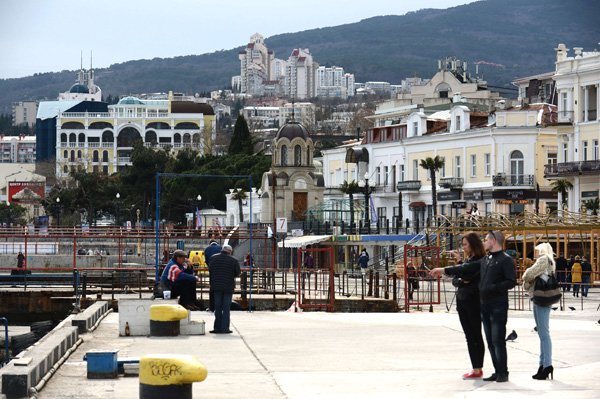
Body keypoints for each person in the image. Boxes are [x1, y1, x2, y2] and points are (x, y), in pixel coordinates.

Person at [430, 230, 517, 383]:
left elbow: (511, 281)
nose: (485, 242)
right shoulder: (487, 259)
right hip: (482, 303)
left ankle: (502, 372)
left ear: (494, 241)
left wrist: (491, 286)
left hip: (496, 304)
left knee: (497, 340)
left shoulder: (505, 260)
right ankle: (497, 371)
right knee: (490, 340)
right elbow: (463, 271)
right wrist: (444, 270)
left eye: (487, 239)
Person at [448, 232, 486, 380]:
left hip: (473, 301)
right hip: (463, 300)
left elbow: (467, 276)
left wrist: (461, 277)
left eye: (465, 244)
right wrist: (460, 269)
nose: (463, 247)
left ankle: (478, 368)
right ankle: (475, 367)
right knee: (469, 335)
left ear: (473, 244)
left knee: (475, 334)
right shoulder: (468, 259)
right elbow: (457, 279)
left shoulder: (480, 260)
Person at [522, 242, 555, 380]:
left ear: (541, 250)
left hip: (540, 298)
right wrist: (529, 280)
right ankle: (543, 365)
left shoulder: (543, 260)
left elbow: (526, 276)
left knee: (544, 333)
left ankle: (547, 365)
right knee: (542, 333)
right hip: (540, 298)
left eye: (536, 250)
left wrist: (528, 277)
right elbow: (527, 283)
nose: (534, 253)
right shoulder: (548, 262)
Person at [208, 244, 241, 334]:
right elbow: (238, 273)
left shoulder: (213, 258)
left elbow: (210, 270)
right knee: (226, 307)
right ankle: (225, 328)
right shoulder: (233, 260)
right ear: (230, 251)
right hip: (228, 286)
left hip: (216, 286)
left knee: (217, 307)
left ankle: (217, 328)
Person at [204, 239, 223, 311]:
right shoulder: (221, 248)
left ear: (210, 243)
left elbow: (206, 260)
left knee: (212, 288)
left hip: (212, 271)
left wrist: (209, 267)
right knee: (221, 288)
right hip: (221, 271)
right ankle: (220, 307)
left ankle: (212, 307)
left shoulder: (207, 249)